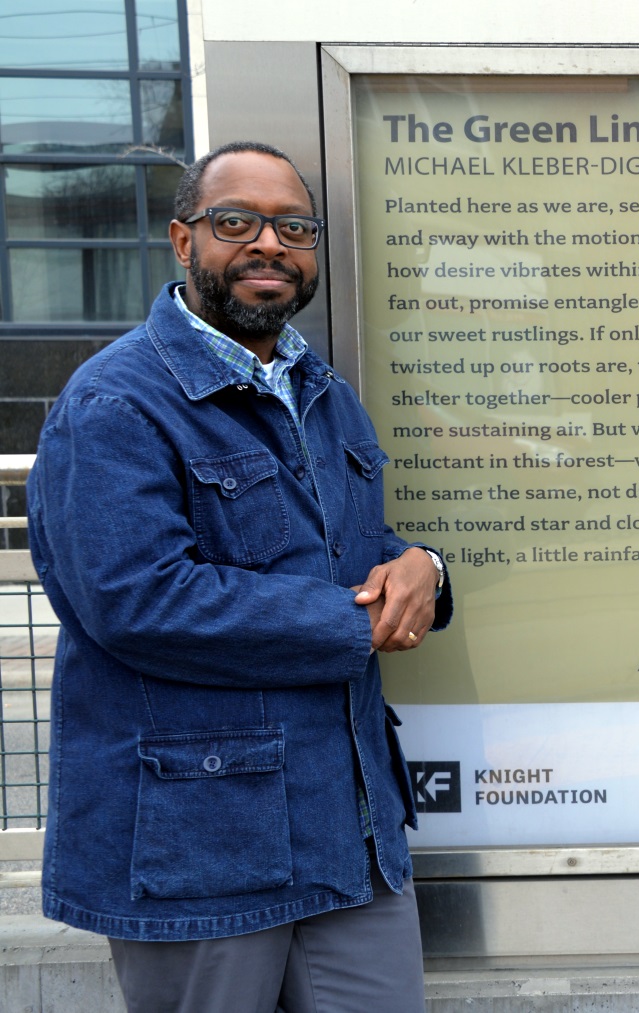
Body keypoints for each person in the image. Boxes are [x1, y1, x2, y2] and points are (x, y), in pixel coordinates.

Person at [26, 141, 451, 1012]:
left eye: (294, 227)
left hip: (352, 831)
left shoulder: (323, 391)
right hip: (203, 849)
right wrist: (353, 620)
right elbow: (138, 599)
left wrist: (423, 567)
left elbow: (343, 545)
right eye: (237, 222)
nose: (270, 244)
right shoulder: (115, 402)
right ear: (184, 241)